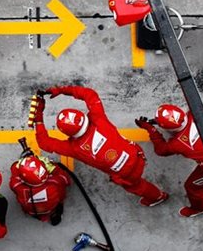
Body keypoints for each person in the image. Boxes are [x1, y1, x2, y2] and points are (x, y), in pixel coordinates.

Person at [29, 86, 168, 206]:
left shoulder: (75, 149)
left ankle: (158, 196)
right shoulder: (98, 119)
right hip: (137, 155)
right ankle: (158, 195)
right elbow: (89, 94)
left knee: (138, 186)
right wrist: (61, 90)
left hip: (126, 175)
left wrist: (38, 117)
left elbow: (44, 143)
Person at [136, 104, 203, 218]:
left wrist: (151, 129)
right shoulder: (195, 113)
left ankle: (200, 208)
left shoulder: (177, 144)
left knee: (191, 186)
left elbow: (161, 150)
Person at [8, 153, 71, 225]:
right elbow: (66, 180)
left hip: (31, 211)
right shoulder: (55, 181)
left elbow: (14, 169)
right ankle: (56, 213)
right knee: (61, 194)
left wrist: (20, 164)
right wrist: (52, 167)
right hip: (52, 208)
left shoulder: (16, 185)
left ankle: (41, 217)